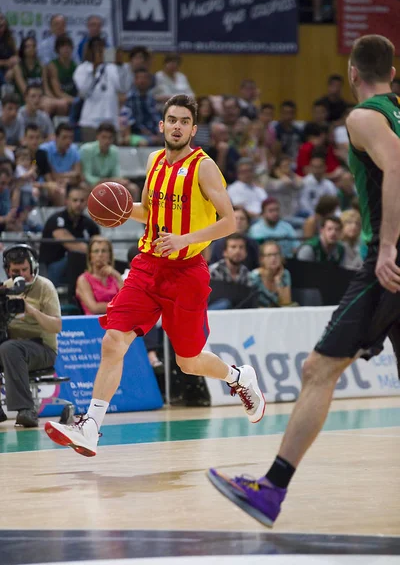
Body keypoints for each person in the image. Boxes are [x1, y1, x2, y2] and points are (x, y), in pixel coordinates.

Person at [207, 34, 400, 527]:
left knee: (318, 369)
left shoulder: (363, 117)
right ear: (392, 73)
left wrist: (388, 247)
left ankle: (271, 488)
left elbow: (397, 164)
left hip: (389, 266)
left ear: (353, 73)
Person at [44, 94, 266, 456]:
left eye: (184, 121)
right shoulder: (154, 160)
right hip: (147, 266)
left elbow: (230, 222)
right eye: (171, 120)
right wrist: (115, 211)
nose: (177, 126)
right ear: (161, 124)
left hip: (187, 273)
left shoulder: (204, 167)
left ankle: (239, 377)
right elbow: (148, 211)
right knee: (113, 341)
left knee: (188, 361)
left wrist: (185, 238)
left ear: (194, 129)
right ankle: (91, 425)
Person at [0, 244, 61, 427]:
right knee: (8, 348)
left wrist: (32, 311)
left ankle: (26, 410)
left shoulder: (45, 287)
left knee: (9, 348)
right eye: (15, 270)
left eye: (24, 269)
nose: (21, 275)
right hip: (11, 347)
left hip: (43, 349)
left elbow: (56, 326)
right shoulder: (6, 289)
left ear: (33, 267)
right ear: (7, 270)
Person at [40, 185, 100, 287]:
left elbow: (99, 243)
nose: (78, 204)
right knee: (73, 256)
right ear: (67, 201)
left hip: (77, 266)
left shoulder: (89, 224)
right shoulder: (56, 219)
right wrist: (92, 252)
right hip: (52, 266)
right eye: (75, 200)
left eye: (82, 201)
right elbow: (69, 243)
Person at [76, 236, 123, 314]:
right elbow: (94, 308)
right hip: (94, 323)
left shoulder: (115, 277)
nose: (100, 255)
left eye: (104, 251)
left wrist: (117, 275)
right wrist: (120, 306)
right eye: (96, 251)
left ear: (109, 255)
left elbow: (129, 301)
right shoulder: (83, 279)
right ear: (90, 256)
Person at [250, 241, 292, 308]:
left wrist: (278, 281)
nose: (273, 258)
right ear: (262, 259)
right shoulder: (254, 276)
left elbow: (286, 303)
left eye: (276, 254)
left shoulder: (285, 274)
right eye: (269, 255)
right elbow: (251, 304)